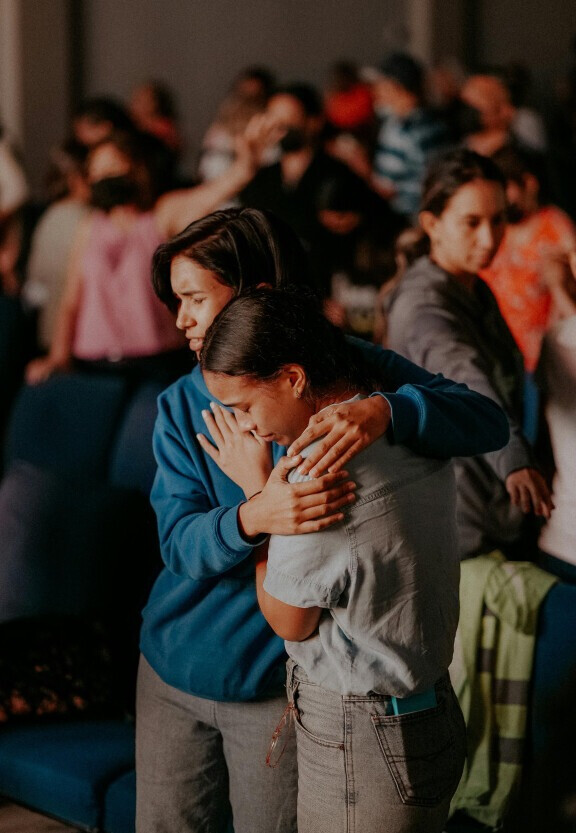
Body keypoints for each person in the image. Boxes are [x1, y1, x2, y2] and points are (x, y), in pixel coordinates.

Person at [139, 206, 509, 833]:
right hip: (176, 657)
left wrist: (387, 411)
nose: (182, 319)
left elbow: (486, 422)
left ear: (256, 294)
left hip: (278, 681)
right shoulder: (180, 404)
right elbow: (177, 543)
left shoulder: (348, 370)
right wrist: (255, 514)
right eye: (176, 301)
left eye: (194, 298)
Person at [200, 288, 467, 833]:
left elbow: (289, 620)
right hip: (432, 708)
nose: (246, 426)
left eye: (245, 406)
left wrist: (260, 496)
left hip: (363, 732)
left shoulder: (316, 470)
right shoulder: (409, 420)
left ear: (293, 378)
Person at [386, 148, 554, 560]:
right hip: (465, 535)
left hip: (497, 513)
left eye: (498, 220)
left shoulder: (470, 284)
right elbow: (470, 381)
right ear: (432, 225)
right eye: (472, 222)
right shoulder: (425, 307)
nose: (489, 239)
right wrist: (514, 459)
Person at [24, 129, 257, 385]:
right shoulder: (89, 226)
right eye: (96, 170)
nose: (102, 176)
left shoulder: (160, 215)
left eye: (112, 166)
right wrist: (58, 357)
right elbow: (71, 300)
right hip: (94, 365)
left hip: (155, 363)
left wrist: (244, 165)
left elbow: (210, 195)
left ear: (136, 168)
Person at [22, 140, 92, 352]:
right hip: (75, 335)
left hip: (48, 330)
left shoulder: (50, 216)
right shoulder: (85, 220)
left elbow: (35, 286)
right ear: (76, 179)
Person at [371, 52, 448, 219]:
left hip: (406, 218)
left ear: (395, 86)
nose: (375, 91)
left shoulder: (399, 131)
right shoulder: (436, 121)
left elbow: (385, 189)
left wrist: (357, 165)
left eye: (380, 85)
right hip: (436, 213)